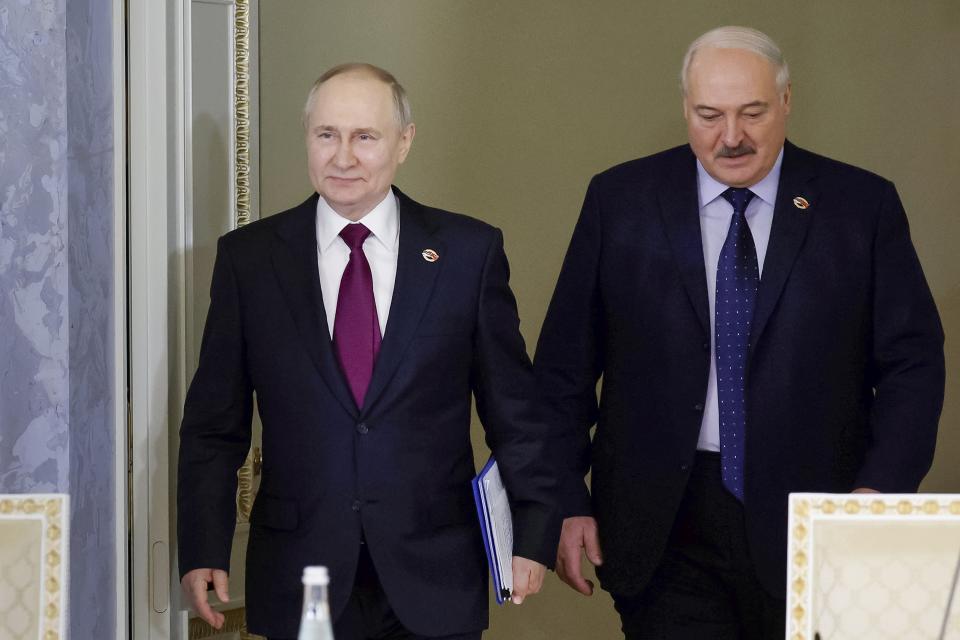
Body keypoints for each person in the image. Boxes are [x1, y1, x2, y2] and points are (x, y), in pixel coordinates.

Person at [534, 25, 945, 640]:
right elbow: (563, 369)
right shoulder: (620, 200)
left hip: (817, 517)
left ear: (786, 101)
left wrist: (876, 495)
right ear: (685, 109)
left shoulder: (861, 207)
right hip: (664, 523)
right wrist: (564, 497)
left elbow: (913, 364)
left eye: (752, 112)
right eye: (709, 115)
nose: (731, 137)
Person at [178, 63, 559, 640]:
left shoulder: (467, 253)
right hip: (300, 573)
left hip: (434, 573)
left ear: (404, 141)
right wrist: (203, 545)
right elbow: (213, 423)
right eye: (326, 135)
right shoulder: (250, 261)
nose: (342, 157)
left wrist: (533, 534)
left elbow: (516, 414)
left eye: (365, 137)